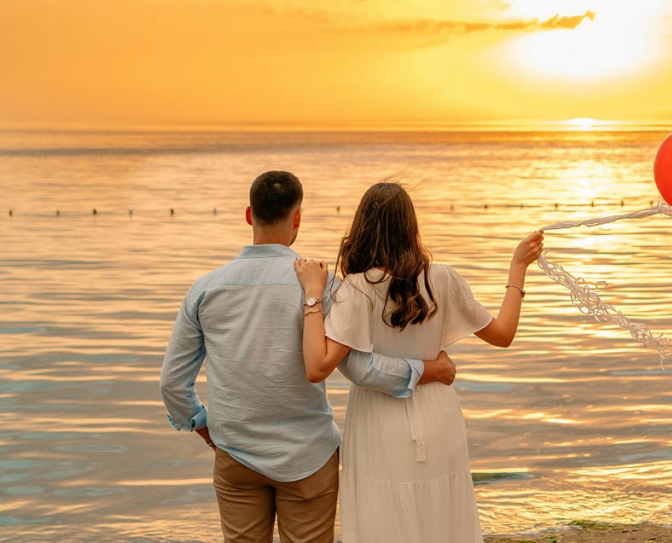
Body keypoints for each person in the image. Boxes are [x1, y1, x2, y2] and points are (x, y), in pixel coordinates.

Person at [159, 171, 457, 543]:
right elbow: (362, 369)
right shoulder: (321, 284)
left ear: (249, 215)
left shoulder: (206, 289)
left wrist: (203, 426)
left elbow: (172, 383)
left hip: (235, 453)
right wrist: (431, 369)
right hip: (308, 457)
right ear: (297, 218)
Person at [294, 181, 544, 543]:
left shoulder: (356, 288)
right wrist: (518, 268)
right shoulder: (442, 279)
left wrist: (313, 296)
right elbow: (503, 334)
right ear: (412, 228)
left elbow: (318, 366)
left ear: (361, 229)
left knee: (382, 516)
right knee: (442, 515)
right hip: (438, 413)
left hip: (379, 421)